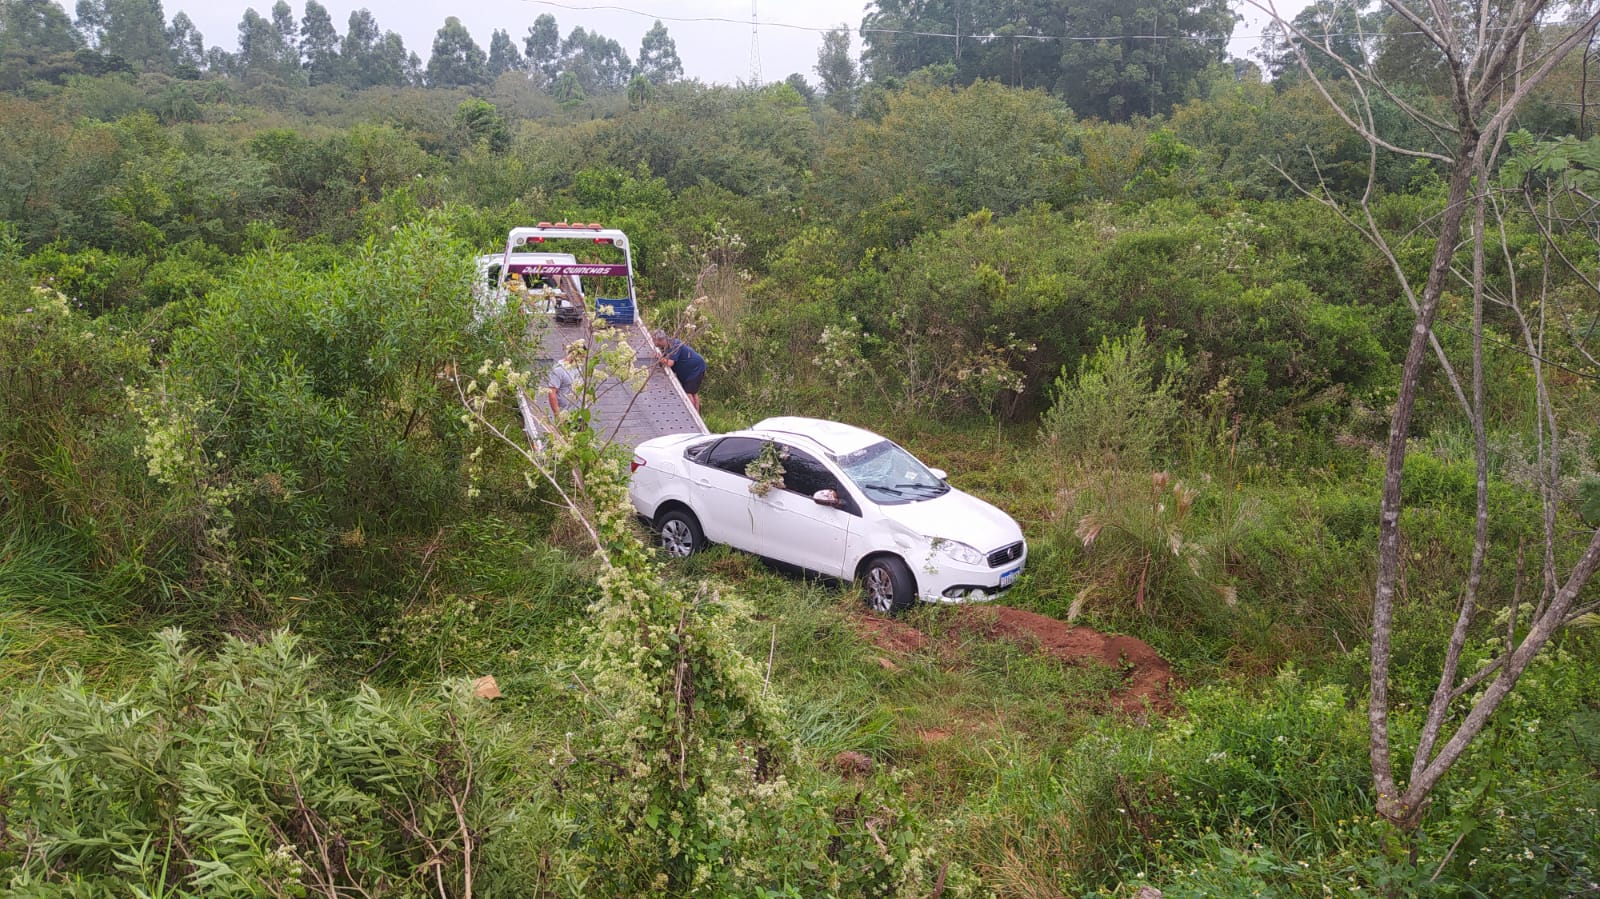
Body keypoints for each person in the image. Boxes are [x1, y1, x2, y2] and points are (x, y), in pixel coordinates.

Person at [652, 328, 705, 412]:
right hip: (688, 370)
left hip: (695, 368)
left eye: (656, 341)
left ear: (662, 339)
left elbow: (669, 363)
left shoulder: (674, 345)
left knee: (688, 393)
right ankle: (697, 414)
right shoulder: (666, 345)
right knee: (693, 392)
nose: (655, 343)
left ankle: (693, 414)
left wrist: (659, 358)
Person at [546, 340, 586, 417]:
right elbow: (552, 393)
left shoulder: (577, 367)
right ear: (574, 354)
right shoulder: (559, 369)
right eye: (582, 357)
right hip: (566, 415)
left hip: (580, 414)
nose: (582, 360)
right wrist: (558, 415)